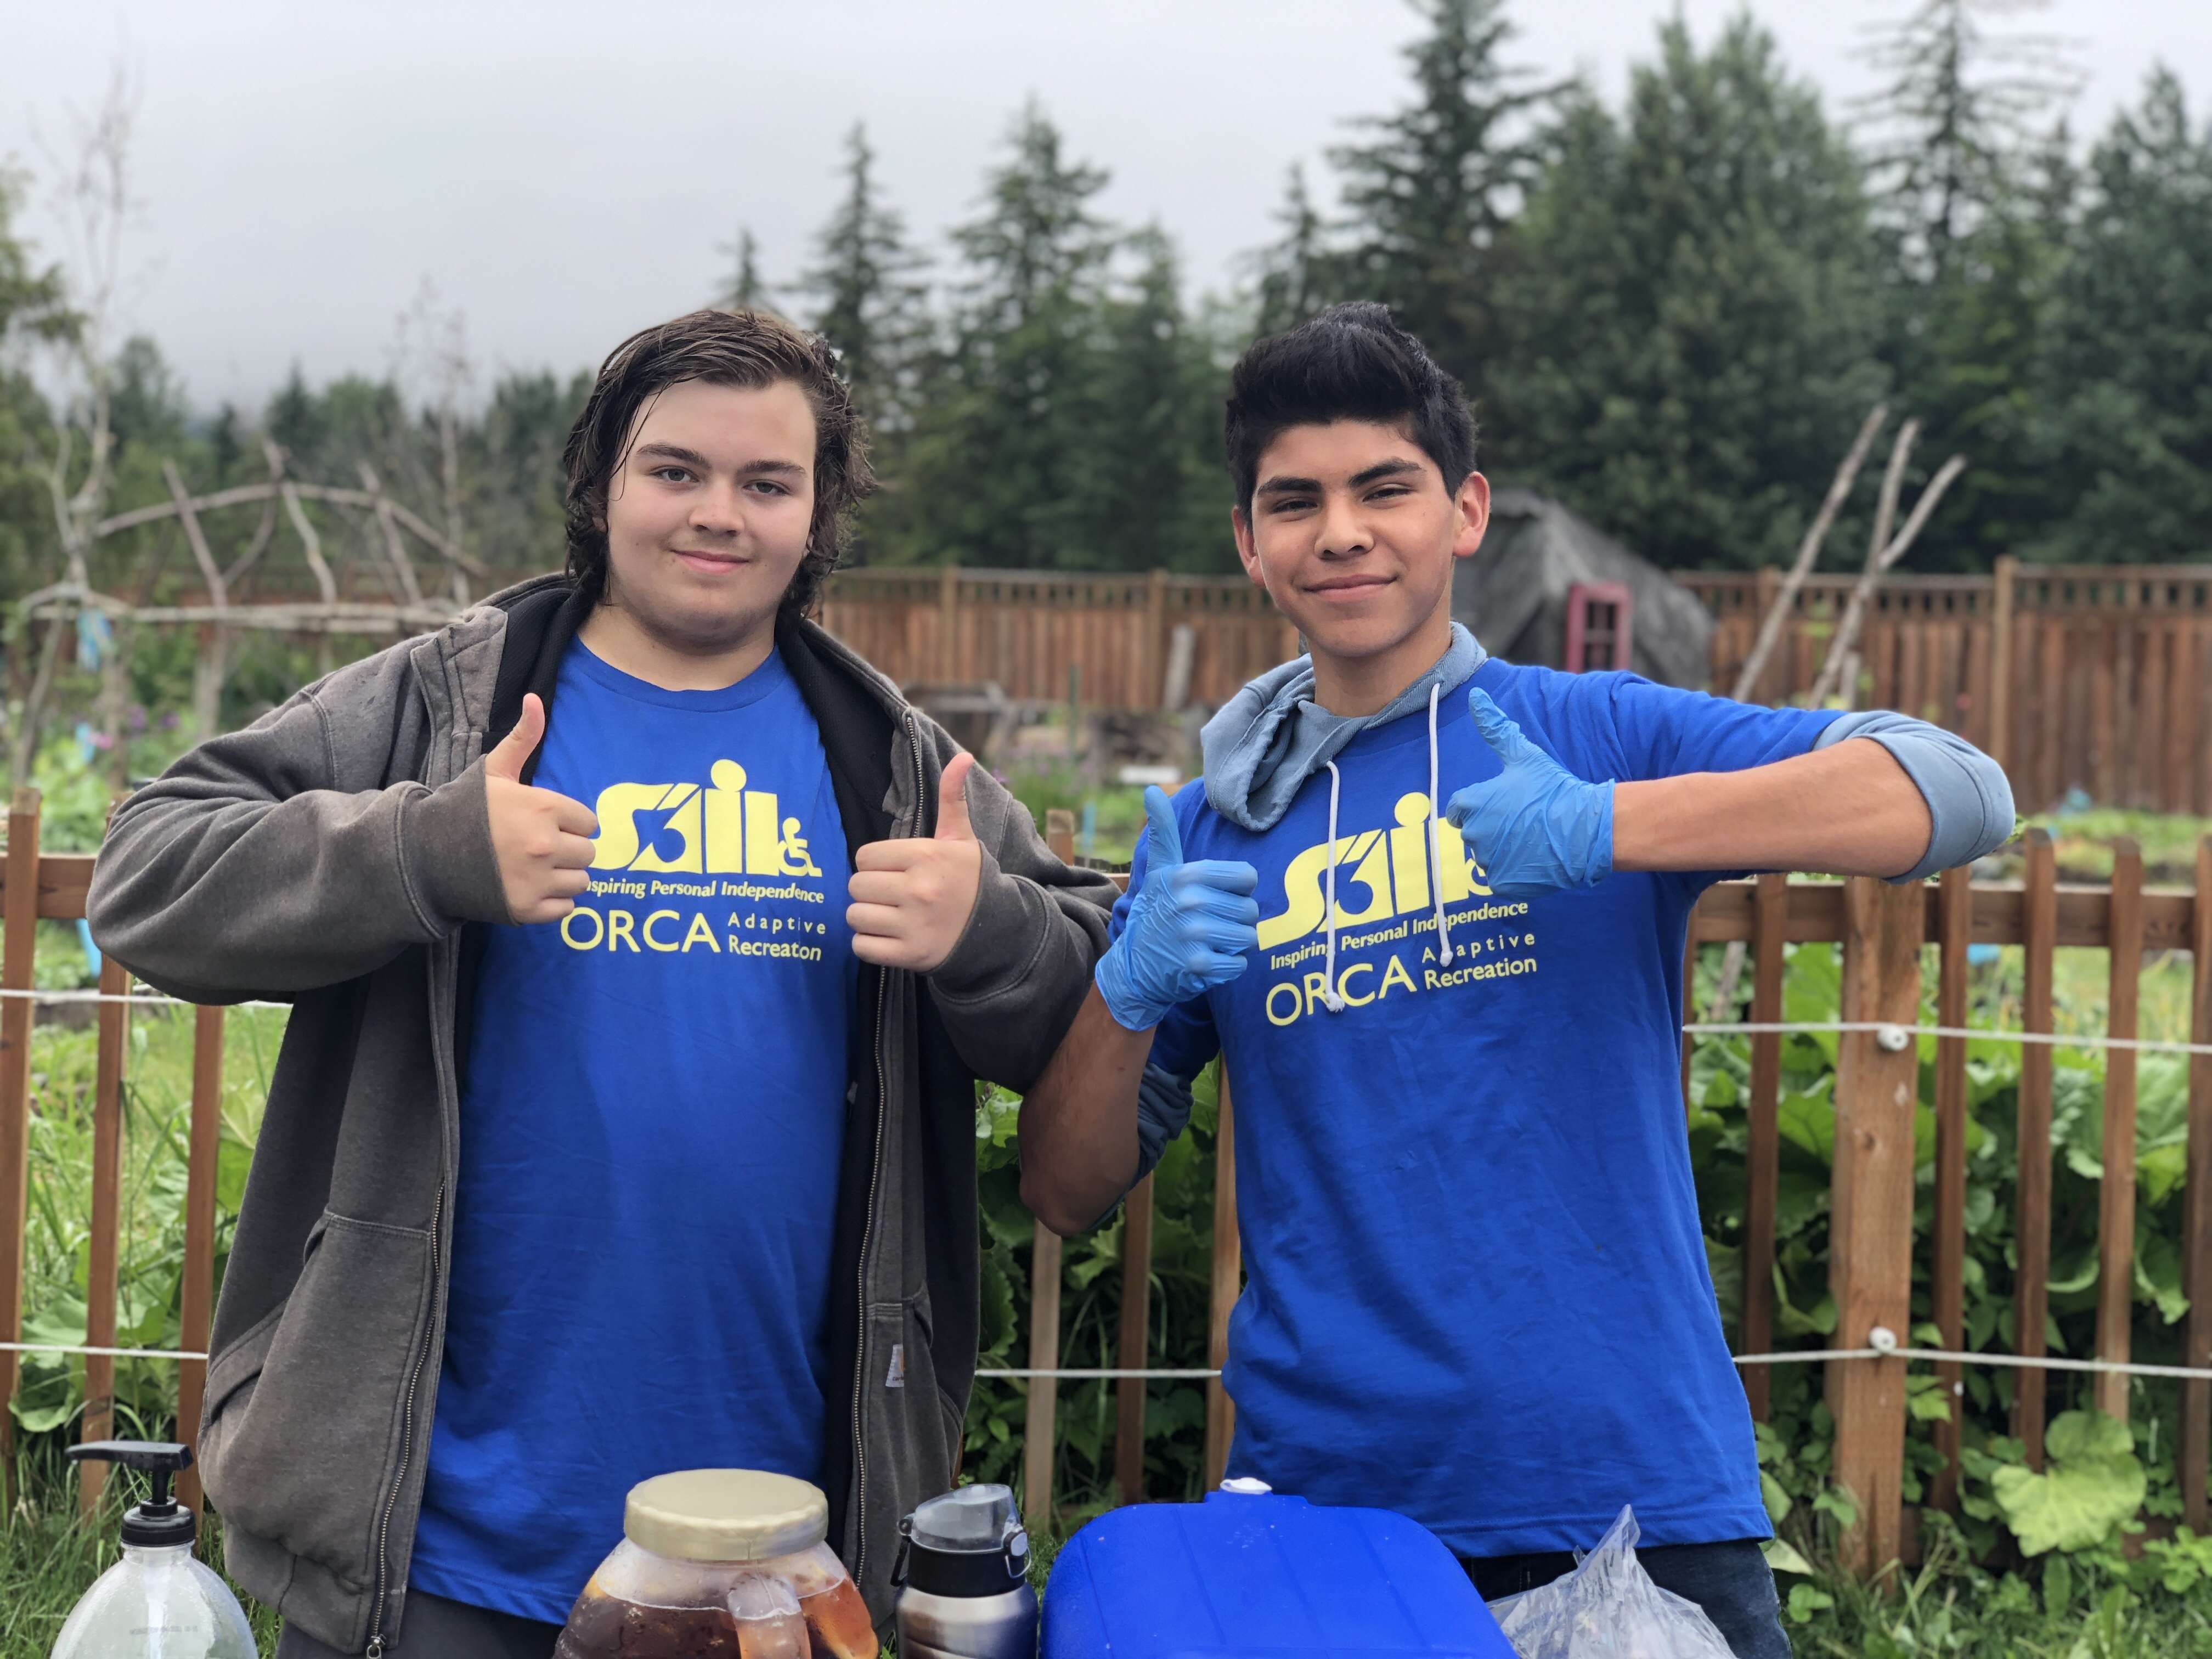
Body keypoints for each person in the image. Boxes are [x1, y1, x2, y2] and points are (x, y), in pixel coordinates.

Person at [87, 308, 1117, 1657]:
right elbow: (145, 871)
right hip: (437, 1540)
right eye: (674, 471)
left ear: (819, 517)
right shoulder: (446, 705)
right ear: (601, 485)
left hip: (779, 1554)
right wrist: (426, 846)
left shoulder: (891, 763)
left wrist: (987, 929)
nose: (719, 515)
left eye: (767, 483)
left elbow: (1094, 1007)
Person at [1015, 303, 2015, 1659]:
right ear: (1251, 544)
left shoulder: (1589, 730)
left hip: (1631, 1492)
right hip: (1330, 1506)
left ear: (1466, 512)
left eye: (1387, 489)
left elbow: (1956, 791)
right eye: (1294, 502)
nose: (1344, 531)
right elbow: (1066, 1191)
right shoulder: (1211, 827)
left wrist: (1610, 827)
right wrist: (1125, 994)